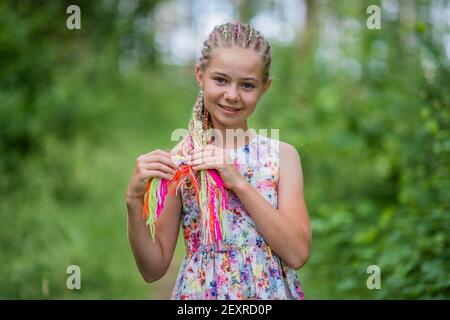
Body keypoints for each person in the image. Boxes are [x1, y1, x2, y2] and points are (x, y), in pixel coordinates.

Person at [126, 22, 311, 300]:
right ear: (200, 75)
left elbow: (297, 253)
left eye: (247, 85)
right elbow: (153, 269)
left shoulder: (282, 157)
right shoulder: (182, 163)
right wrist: (133, 201)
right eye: (221, 80)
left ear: (264, 87)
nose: (232, 95)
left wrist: (239, 182)